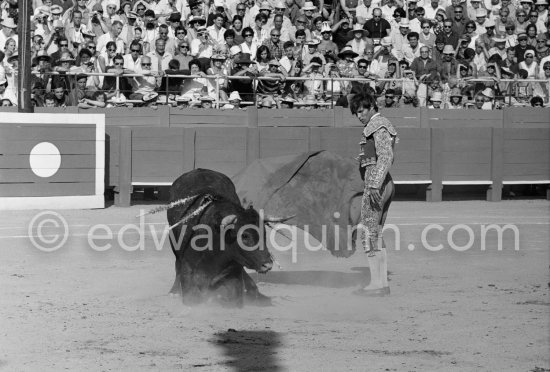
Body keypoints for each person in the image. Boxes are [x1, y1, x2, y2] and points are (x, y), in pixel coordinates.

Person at [351, 90, 397, 297]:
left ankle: (377, 284)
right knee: (375, 232)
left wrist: (374, 185)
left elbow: (385, 157)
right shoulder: (377, 126)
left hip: (376, 184)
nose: (359, 115)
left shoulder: (378, 125)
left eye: (362, 110)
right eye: (356, 113)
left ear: (372, 108)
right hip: (381, 182)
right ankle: (380, 283)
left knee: (368, 232)